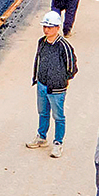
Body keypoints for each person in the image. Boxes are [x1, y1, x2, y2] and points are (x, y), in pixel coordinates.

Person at [25, 10, 78, 158]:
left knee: (58, 116)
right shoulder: (41, 42)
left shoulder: (64, 46)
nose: (46, 30)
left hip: (57, 88)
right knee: (43, 112)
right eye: (45, 27)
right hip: (42, 84)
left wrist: (61, 80)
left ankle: (58, 143)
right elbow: (39, 60)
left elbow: (72, 67)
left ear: (57, 27)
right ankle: (41, 137)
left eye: (50, 27)